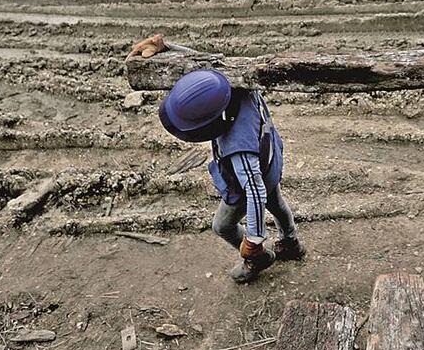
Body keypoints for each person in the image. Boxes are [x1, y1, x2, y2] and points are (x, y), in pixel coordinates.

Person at [129, 35, 306, 284]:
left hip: (250, 176)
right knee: (276, 202)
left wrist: (254, 240)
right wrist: (167, 47)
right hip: (270, 159)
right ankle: (291, 243)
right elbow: (209, 67)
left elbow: (254, 191)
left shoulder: (238, 147)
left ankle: (258, 259)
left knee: (222, 225)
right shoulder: (240, 84)